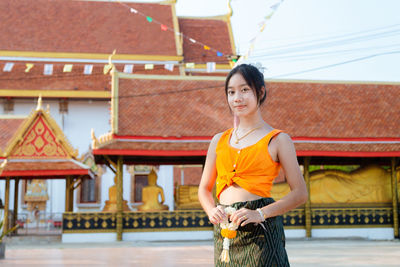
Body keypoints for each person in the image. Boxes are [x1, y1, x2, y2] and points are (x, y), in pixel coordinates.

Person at [198, 64, 308, 266]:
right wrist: (211, 210)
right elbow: (204, 189)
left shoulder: (278, 139)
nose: (237, 98)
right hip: (225, 230)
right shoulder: (218, 140)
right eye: (231, 92)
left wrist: (259, 213)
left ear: (260, 92)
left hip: (260, 230)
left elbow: (300, 193)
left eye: (244, 90)